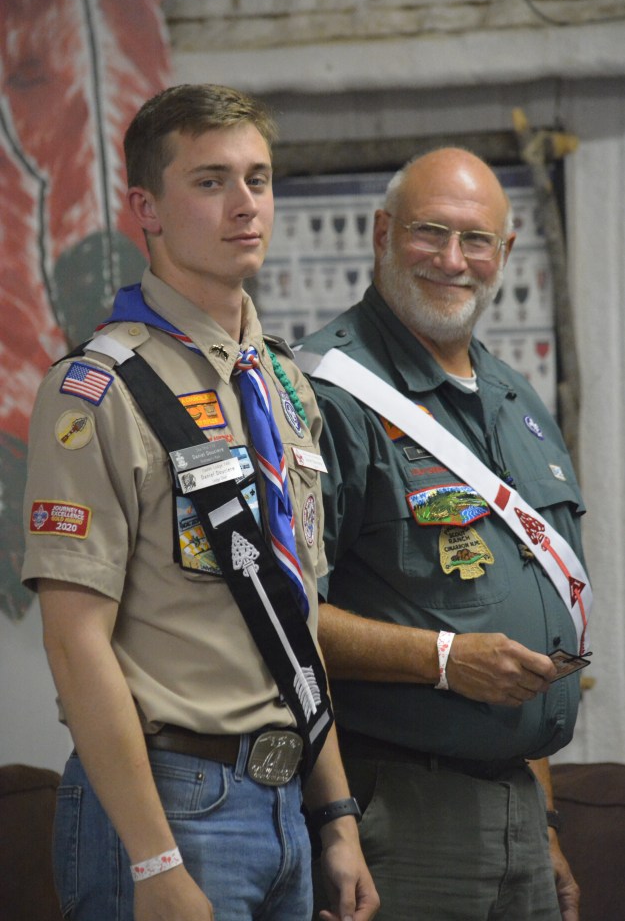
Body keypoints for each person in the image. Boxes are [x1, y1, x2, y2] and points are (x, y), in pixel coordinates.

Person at [21, 83, 379, 921]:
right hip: (171, 802)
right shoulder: (96, 390)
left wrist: (334, 817)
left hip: (288, 795)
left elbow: (294, 617)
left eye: (257, 179)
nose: (245, 204)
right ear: (145, 207)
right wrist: (153, 863)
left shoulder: (284, 383)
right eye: (211, 181)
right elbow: (76, 646)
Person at [296, 147, 591, 921]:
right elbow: (278, 619)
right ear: (381, 232)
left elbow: (528, 620)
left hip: (520, 812)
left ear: (505, 253)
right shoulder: (323, 394)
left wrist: (545, 822)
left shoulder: (514, 398)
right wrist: (441, 659)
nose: (453, 260)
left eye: (476, 240)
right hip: (395, 811)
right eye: (430, 232)